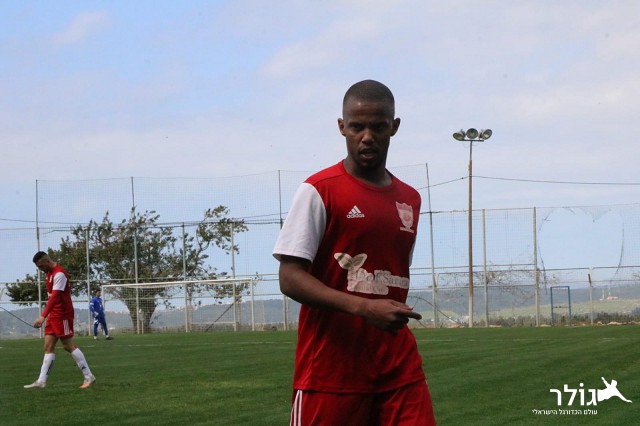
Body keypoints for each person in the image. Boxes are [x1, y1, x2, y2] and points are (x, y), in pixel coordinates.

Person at [273, 80, 436, 425]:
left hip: (398, 369)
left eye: (378, 127)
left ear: (394, 127)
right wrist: (364, 308)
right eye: (357, 126)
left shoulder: (409, 199)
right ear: (341, 127)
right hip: (330, 373)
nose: (367, 137)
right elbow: (289, 278)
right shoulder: (318, 190)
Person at [24, 251, 96, 389]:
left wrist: (43, 316)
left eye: (41, 266)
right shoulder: (49, 274)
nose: (40, 269)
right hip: (54, 314)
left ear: (47, 261)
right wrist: (47, 315)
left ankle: (89, 376)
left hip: (63, 315)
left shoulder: (59, 274)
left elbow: (55, 297)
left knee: (67, 345)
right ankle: (41, 381)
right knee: (48, 346)